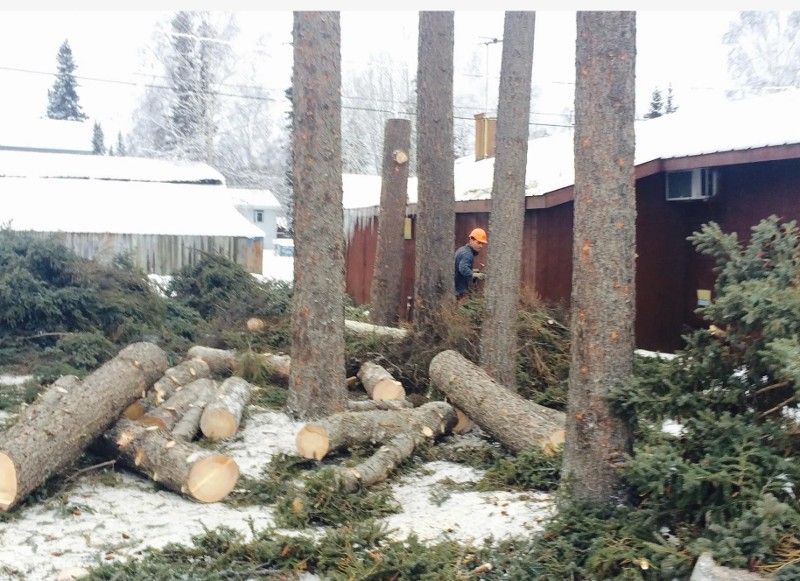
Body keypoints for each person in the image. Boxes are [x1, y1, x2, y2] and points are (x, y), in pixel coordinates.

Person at [454, 228, 488, 299]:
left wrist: (474, 271)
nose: (481, 246)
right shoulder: (467, 253)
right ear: (471, 240)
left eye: (482, 243)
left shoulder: (463, 250)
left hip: (456, 289)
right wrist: (474, 274)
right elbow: (463, 268)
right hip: (459, 291)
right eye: (478, 242)